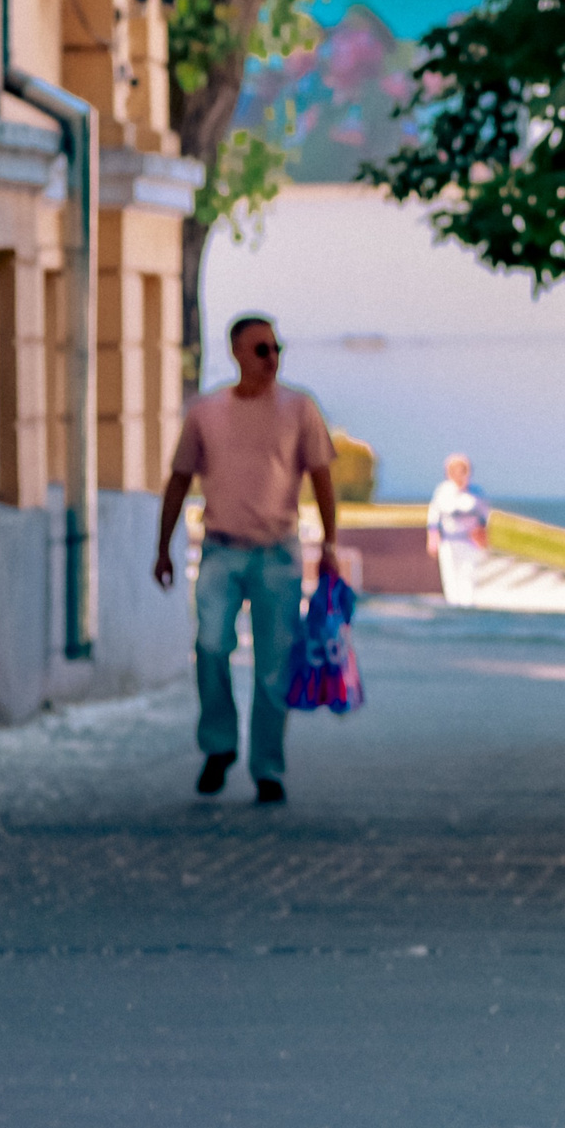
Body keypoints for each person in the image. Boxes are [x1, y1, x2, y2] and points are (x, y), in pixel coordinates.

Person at [153, 313, 340, 806]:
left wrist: (330, 545)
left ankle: (268, 768)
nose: (271, 359)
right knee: (211, 646)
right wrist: (163, 547)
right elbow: (179, 478)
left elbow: (321, 477)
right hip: (220, 549)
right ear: (237, 353)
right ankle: (218, 745)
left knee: (275, 664)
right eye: (261, 350)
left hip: (277, 554)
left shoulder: (299, 409)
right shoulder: (207, 412)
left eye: (277, 349)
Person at [425, 454, 491, 607]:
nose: (459, 474)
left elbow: (484, 516)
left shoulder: (476, 493)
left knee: (468, 574)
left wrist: (482, 537)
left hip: (469, 540)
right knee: (450, 575)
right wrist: (433, 539)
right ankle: (453, 605)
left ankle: (468, 605)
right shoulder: (443, 491)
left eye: (463, 471)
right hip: (449, 540)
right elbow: (434, 516)